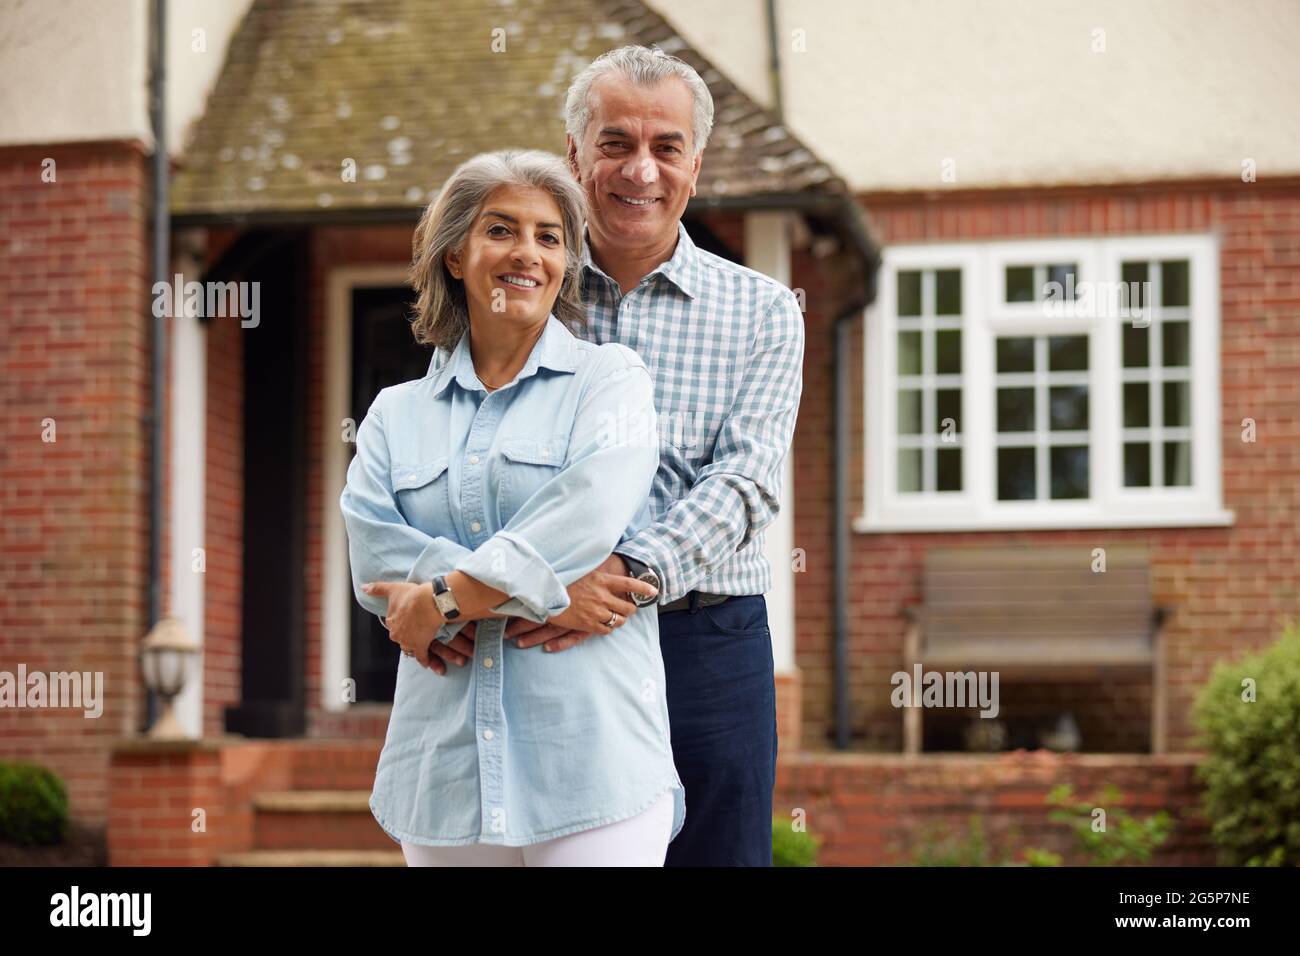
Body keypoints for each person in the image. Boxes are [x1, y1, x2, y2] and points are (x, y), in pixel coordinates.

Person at [451, 46, 806, 866]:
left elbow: (747, 480)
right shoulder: (519, 292)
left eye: (665, 146)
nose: (640, 169)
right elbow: (463, 448)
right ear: (574, 154)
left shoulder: (761, 311)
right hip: (546, 628)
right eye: (615, 143)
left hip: (706, 639)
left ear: (696, 162)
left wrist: (624, 577)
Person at [339, 148, 685, 866]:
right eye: (501, 230)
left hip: (591, 764)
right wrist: (548, 591)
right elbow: (374, 556)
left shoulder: (609, 381)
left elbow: (587, 515)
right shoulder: (393, 415)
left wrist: (440, 599)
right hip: (444, 769)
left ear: (565, 264)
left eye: (549, 237)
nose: (527, 253)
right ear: (456, 254)